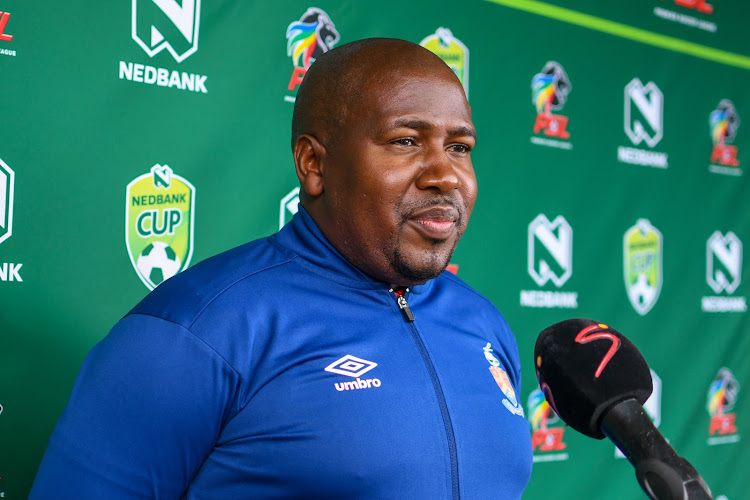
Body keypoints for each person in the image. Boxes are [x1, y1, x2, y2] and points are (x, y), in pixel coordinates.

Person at [30, 38, 532, 499]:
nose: (445, 175)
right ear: (313, 163)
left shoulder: (482, 321)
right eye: (405, 141)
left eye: (459, 148)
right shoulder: (195, 331)